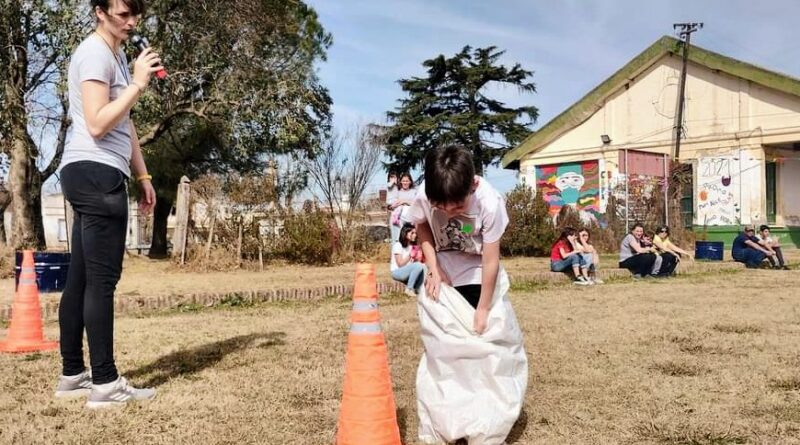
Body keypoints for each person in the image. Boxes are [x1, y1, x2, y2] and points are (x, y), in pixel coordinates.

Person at [55, 0, 163, 408]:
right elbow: (99, 122)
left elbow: (124, 121)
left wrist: (143, 175)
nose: (132, 22)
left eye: (136, 15)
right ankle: (105, 384)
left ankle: (73, 375)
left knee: (81, 280)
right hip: (96, 173)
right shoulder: (95, 53)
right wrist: (138, 84)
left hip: (92, 172)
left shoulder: (114, 56)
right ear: (100, 11)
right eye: (123, 14)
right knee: (102, 283)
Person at [409, 145, 526, 444]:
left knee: (487, 350)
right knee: (445, 351)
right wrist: (433, 266)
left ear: (472, 185)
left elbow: (491, 260)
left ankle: (485, 420)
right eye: (442, 207)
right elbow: (421, 226)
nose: (449, 212)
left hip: (478, 276)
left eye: (458, 207)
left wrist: (484, 308)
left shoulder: (489, 202)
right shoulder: (425, 193)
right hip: (445, 276)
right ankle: (451, 418)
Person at [391, 224, 427, 297]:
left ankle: (417, 289)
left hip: (409, 271)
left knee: (423, 266)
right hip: (397, 272)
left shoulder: (412, 246)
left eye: (415, 233)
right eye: (412, 233)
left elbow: (416, 264)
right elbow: (400, 264)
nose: (415, 235)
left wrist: (419, 256)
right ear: (405, 233)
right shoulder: (398, 245)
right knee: (419, 265)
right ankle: (409, 289)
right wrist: (410, 255)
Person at [388, 173, 417, 242]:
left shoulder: (415, 191)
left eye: (407, 181)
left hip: (412, 219)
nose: (405, 183)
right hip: (399, 220)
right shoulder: (397, 192)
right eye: (403, 181)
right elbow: (391, 205)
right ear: (400, 182)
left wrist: (404, 201)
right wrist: (394, 205)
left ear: (410, 182)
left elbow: (416, 204)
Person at [385, 172, 399, 243]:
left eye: (394, 177)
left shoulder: (398, 187)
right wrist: (393, 181)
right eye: (391, 177)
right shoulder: (389, 185)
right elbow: (389, 185)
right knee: (393, 226)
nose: (393, 179)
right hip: (392, 208)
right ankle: (394, 242)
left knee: (398, 228)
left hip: (398, 208)